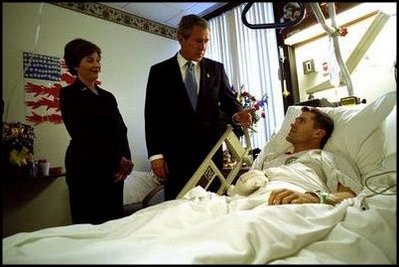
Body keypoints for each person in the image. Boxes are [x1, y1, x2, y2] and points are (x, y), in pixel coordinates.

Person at [144, 14, 254, 200]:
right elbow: (153, 115)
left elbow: (228, 101)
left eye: (206, 41)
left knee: (212, 204)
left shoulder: (216, 69)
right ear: (181, 39)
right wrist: (156, 156)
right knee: (178, 207)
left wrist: (238, 114)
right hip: (176, 156)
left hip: (210, 153)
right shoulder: (160, 72)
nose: (203, 47)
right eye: (197, 41)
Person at [60, 38, 134, 224]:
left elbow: (121, 129)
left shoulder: (108, 97)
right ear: (75, 65)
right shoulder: (69, 94)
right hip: (85, 169)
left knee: (114, 222)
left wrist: (126, 161)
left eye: (98, 60)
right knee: (89, 226)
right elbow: (82, 134)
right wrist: (118, 159)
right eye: (89, 60)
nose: (96, 65)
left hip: (114, 172)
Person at [235, 106, 362, 206]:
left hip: (291, 203)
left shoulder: (328, 158)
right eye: (296, 120)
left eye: (301, 121)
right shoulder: (272, 158)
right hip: (249, 202)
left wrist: (312, 198)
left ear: (318, 133)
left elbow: (349, 195)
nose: (293, 124)